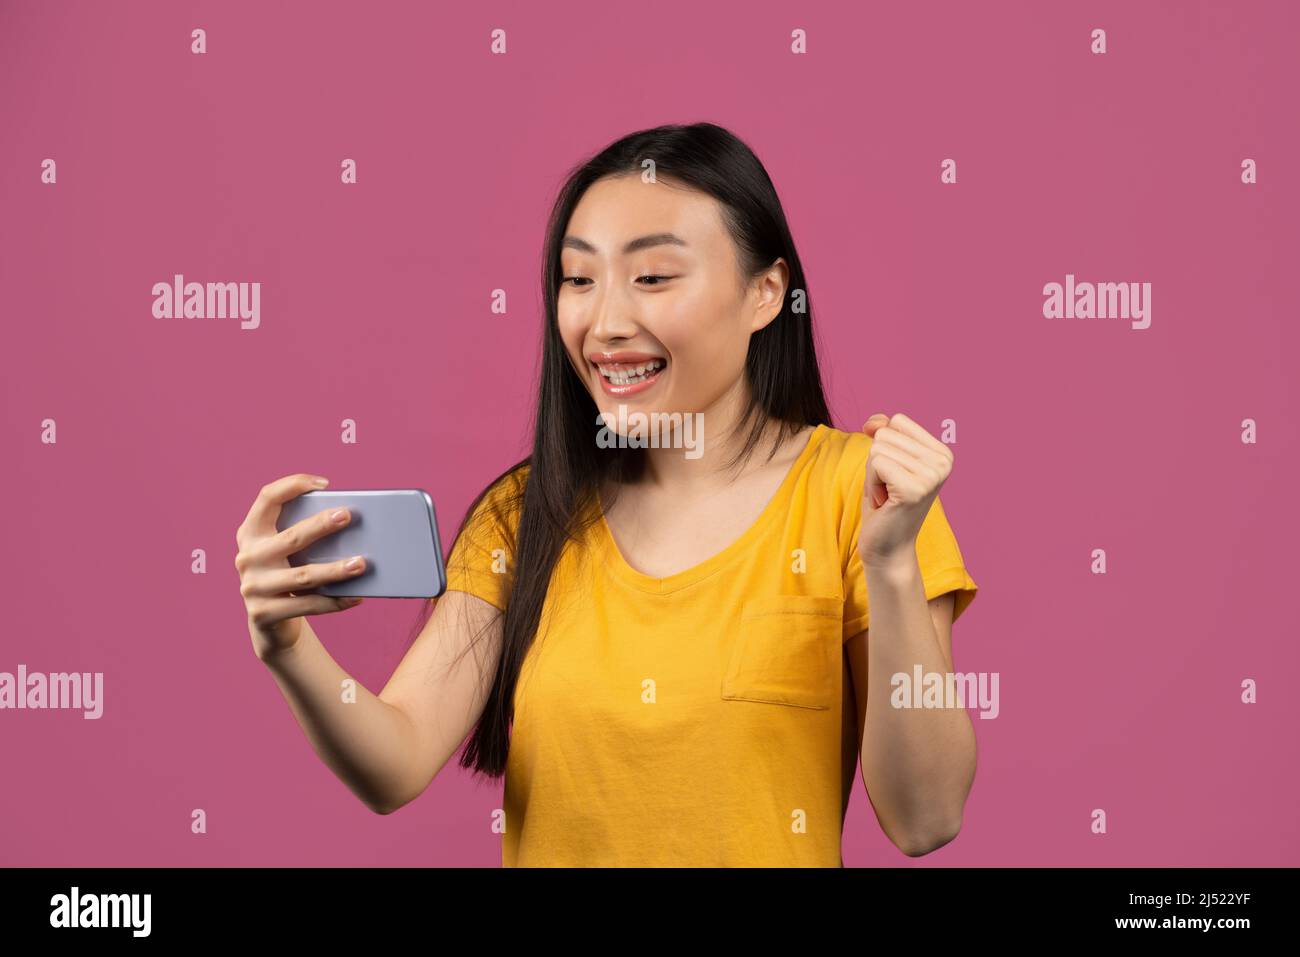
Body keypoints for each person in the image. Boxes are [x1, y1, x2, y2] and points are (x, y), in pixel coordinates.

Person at [236, 122, 979, 867]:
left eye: (652, 277)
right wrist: (286, 643)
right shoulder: (525, 514)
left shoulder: (864, 496)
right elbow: (393, 762)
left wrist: (890, 569)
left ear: (765, 294)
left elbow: (925, 816)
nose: (606, 323)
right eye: (579, 279)